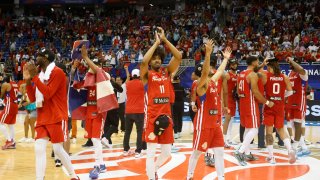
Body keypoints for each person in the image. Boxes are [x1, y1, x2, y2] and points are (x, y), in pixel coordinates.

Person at [23, 48, 79, 180]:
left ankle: (73, 175)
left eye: (39, 56)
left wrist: (35, 78)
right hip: (43, 116)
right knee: (39, 148)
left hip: (56, 116)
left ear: (46, 59)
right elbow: (32, 98)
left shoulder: (57, 73)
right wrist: (27, 80)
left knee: (58, 149)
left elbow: (48, 94)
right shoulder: (41, 74)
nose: (36, 59)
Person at [140, 27, 182, 180]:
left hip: (166, 116)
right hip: (151, 116)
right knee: (151, 152)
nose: (157, 60)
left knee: (166, 153)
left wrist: (164, 40)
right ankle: (151, 177)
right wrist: (155, 43)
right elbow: (144, 61)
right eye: (154, 58)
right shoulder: (147, 75)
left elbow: (178, 56)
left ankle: (154, 170)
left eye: (159, 57)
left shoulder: (167, 72)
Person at [186, 40, 232, 180]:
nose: (211, 71)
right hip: (203, 124)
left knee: (219, 152)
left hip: (215, 123)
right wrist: (207, 54)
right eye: (207, 71)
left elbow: (219, 71)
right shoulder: (201, 86)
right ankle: (189, 176)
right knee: (197, 152)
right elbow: (206, 72)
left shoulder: (212, 82)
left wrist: (225, 59)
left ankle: (221, 177)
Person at [234, 56, 274, 166]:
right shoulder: (253, 75)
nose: (258, 63)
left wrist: (262, 64)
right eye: (257, 61)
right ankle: (240, 151)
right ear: (253, 62)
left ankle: (247, 153)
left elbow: (238, 90)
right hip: (251, 103)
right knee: (255, 129)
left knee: (248, 128)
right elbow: (256, 93)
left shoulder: (241, 73)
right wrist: (267, 102)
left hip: (242, 103)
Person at [263, 58, 296, 164]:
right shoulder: (284, 77)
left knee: (269, 132)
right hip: (280, 106)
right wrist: (281, 96)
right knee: (281, 129)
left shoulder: (266, 76)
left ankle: (271, 156)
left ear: (269, 67)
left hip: (269, 106)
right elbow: (290, 92)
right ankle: (290, 149)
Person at [286, 57, 310, 156]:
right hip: (290, 101)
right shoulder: (290, 73)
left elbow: (300, 69)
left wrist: (292, 60)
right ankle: (303, 147)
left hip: (299, 101)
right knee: (292, 124)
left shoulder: (303, 72)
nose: (290, 65)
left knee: (298, 124)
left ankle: (295, 147)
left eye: (292, 63)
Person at [122, 69, 147, 158]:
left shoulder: (128, 84)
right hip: (139, 111)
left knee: (127, 131)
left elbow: (128, 78)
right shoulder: (141, 83)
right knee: (139, 132)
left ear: (132, 75)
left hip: (128, 111)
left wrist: (126, 70)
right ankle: (138, 151)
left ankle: (125, 150)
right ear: (139, 75)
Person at [0, 75, 19, 150]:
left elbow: (1, 94)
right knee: (11, 125)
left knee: (0, 123)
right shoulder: (15, 84)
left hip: (9, 105)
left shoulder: (6, 84)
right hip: (15, 105)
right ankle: (12, 142)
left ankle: (9, 140)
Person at [223, 59, 239, 146]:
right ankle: (224, 139)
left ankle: (228, 139)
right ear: (230, 65)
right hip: (228, 99)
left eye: (236, 64)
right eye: (233, 64)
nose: (235, 65)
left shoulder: (237, 75)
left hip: (233, 99)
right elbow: (223, 88)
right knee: (227, 119)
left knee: (231, 119)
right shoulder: (227, 75)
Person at [172, 75, 185, 139]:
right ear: (178, 80)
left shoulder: (171, 87)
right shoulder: (181, 87)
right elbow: (184, 95)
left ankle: (175, 133)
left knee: (175, 118)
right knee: (180, 118)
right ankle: (179, 132)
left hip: (174, 104)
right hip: (180, 104)